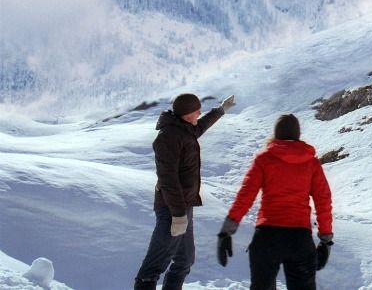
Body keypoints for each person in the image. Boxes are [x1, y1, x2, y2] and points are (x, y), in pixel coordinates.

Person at [218, 114, 333, 290]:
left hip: (267, 237)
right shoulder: (311, 163)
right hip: (299, 239)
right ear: (298, 134)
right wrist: (325, 240)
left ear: (276, 133)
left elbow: (245, 195)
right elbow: (323, 200)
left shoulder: (264, 159)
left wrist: (226, 232)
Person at [134, 93, 236, 290]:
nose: (200, 112)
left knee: (184, 260)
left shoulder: (184, 130)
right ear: (187, 113)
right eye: (197, 110)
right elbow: (168, 180)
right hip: (171, 209)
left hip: (184, 208)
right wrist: (178, 215)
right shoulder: (168, 138)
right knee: (153, 268)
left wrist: (221, 110)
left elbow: (200, 127)